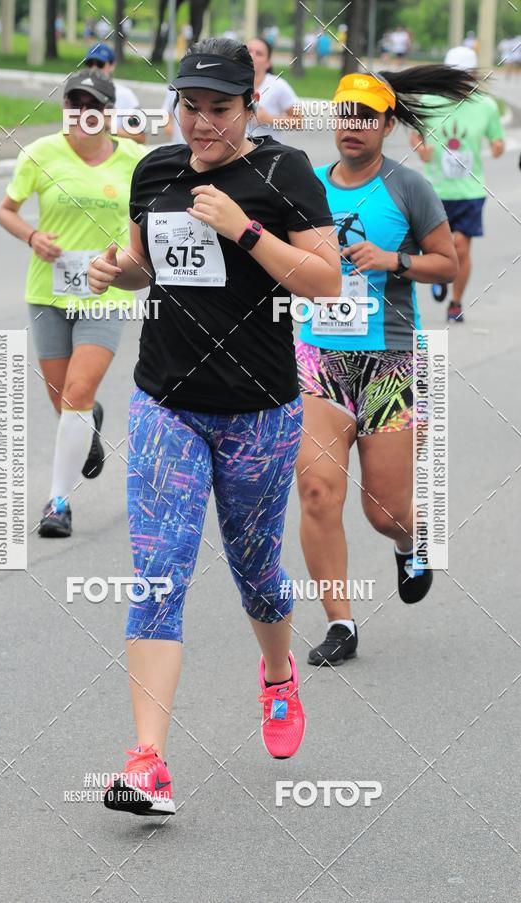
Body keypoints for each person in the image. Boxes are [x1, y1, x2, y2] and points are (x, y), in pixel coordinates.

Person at [88, 37, 340, 816]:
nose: (201, 124)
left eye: (219, 109)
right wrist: (114, 270)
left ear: (249, 102)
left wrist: (245, 229)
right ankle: (148, 762)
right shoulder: (154, 170)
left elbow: (326, 280)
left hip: (259, 412)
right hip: (166, 401)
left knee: (256, 568)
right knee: (159, 574)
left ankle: (276, 676)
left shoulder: (283, 174)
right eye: (189, 106)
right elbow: (145, 262)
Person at [295, 67, 478, 667]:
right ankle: (341, 623)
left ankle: (410, 540)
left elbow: (447, 264)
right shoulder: (307, 186)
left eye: (366, 118)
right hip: (318, 355)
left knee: (385, 511)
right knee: (318, 490)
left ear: (386, 125)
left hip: (391, 358)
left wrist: (394, 259)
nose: (352, 127)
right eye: (345, 114)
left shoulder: (409, 187)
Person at [0, 70, 145, 538]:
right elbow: (6, 210)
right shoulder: (41, 153)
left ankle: (58, 502)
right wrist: (33, 236)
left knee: (77, 394)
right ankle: (88, 426)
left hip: (107, 293)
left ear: (108, 113)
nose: (84, 114)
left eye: (94, 106)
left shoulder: (137, 161)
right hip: (48, 293)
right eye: (74, 105)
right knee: (65, 401)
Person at [410, 47, 505, 322]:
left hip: (469, 191)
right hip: (434, 190)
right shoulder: (428, 101)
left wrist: (497, 146)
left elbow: (497, 140)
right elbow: (416, 135)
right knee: (435, 247)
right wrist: (421, 149)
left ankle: (455, 302)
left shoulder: (485, 106)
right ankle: (440, 275)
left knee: (461, 246)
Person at [84, 43, 146, 144]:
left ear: (112, 66)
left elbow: (140, 137)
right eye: (90, 64)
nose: (94, 68)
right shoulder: (79, 94)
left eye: (100, 64)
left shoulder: (125, 95)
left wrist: (107, 129)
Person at [246, 37, 303, 142]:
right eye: (248, 51)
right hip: (238, 153)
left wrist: (269, 119)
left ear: (268, 63)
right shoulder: (232, 82)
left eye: (259, 53)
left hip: (269, 153)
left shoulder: (278, 85)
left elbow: (299, 121)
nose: (252, 55)